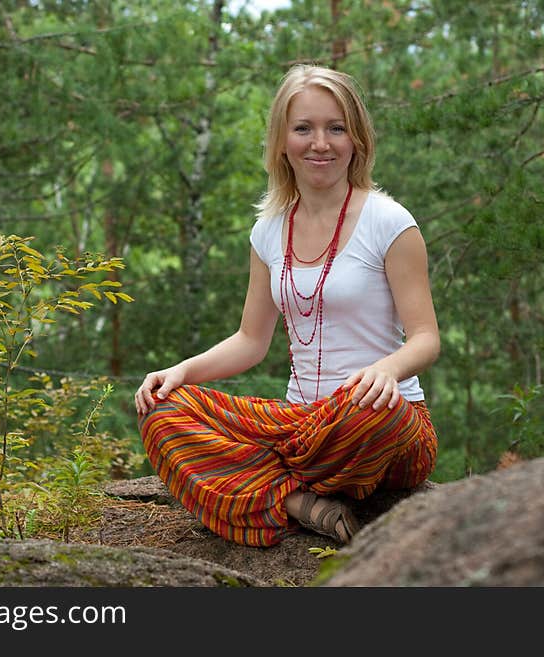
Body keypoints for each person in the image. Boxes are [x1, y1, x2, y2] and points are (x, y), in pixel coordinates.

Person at [134, 63, 439, 548]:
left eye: (336, 128)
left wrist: (386, 371)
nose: (321, 142)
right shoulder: (268, 230)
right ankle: (300, 503)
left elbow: (425, 337)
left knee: (375, 414)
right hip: (298, 424)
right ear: (282, 141)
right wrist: (181, 372)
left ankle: (258, 481)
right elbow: (250, 341)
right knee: (161, 408)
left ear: (356, 139)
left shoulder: (391, 223)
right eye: (304, 128)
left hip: (377, 421)